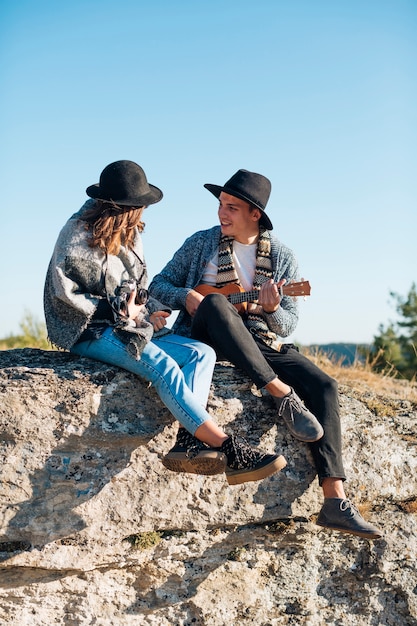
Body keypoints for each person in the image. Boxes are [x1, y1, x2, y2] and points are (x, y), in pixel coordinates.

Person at [150, 168, 383, 539]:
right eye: (221, 205)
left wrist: (271, 309)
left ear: (254, 214)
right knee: (215, 305)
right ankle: (277, 391)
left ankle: (334, 500)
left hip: (256, 340)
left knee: (324, 386)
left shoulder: (282, 257)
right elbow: (158, 285)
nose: (221, 214)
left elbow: (288, 324)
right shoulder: (200, 243)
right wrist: (188, 297)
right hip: (204, 335)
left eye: (232, 208)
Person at [44, 161, 287, 487]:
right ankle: (230, 448)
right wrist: (119, 313)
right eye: (141, 206)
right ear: (128, 207)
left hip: (127, 326)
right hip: (89, 329)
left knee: (201, 353)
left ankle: (188, 444)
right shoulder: (76, 234)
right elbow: (65, 295)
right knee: (164, 367)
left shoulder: (130, 236)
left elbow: (137, 290)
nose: (144, 213)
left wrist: (148, 312)